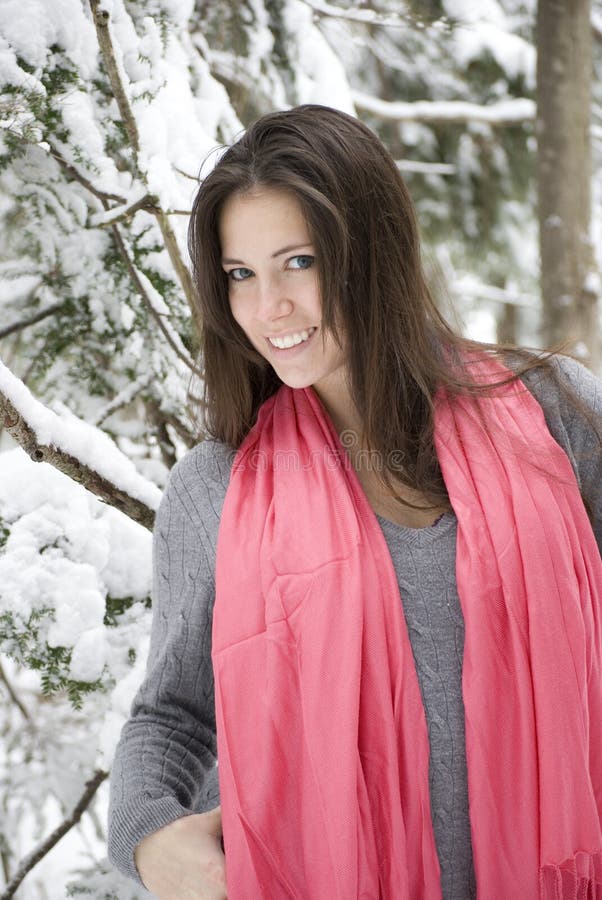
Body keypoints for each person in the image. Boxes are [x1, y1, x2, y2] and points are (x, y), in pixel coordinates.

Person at [108, 104, 602, 900]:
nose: (268, 307)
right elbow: (172, 715)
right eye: (240, 274)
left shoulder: (555, 417)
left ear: (371, 249)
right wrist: (146, 839)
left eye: (297, 262)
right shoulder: (218, 486)